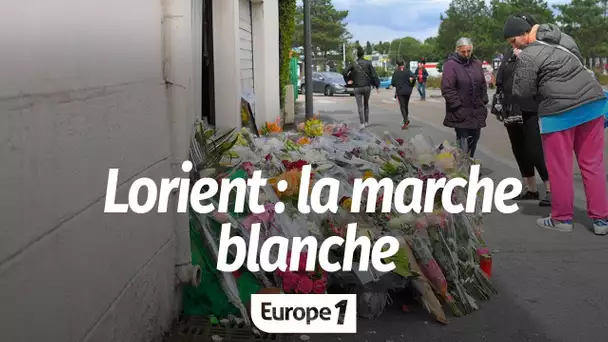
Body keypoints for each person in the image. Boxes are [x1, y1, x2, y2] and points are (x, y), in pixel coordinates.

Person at [505, 14, 608, 235]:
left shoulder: (528, 56)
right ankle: (601, 221)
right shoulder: (564, 38)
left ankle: (562, 219)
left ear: (524, 33)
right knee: (593, 164)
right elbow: (578, 63)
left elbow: (522, 92)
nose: (514, 46)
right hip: (593, 104)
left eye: (514, 41)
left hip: (558, 113)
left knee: (559, 168)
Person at [494, 43, 551, 207]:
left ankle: (551, 190)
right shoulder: (508, 53)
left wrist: (524, 58)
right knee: (518, 149)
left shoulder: (534, 51)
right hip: (510, 108)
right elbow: (500, 79)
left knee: (534, 149)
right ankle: (531, 189)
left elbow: (541, 76)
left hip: (529, 107)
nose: (513, 41)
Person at [441, 37, 489, 159]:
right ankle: (463, 169)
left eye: (469, 51)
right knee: (463, 143)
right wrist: (457, 105)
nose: (466, 54)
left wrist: (484, 100)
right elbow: (447, 88)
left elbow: (482, 84)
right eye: (463, 52)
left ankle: (469, 164)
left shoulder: (476, 63)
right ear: (457, 50)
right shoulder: (450, 65)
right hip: (460, 111)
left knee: (474, 140)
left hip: (477, 110)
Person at [342, 46, 380, 129]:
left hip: (357, 87)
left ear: (357, 55)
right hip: (367, 87)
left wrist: (348, 80)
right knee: (366, 104)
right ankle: (366, 122)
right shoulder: (368, 63)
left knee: (359, 106)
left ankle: (362, 123)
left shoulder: (353, 63)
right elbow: (374, 75)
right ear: (363, 55)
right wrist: (377, 85)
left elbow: (344, 72)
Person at [391, 59, 416, 129]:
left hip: (400, 91)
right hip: (408, 91)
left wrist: (397, 84)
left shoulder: (396, 72)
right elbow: (414, 77)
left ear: (397, 65)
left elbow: (393, 83)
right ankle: (406, 119)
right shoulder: (407, 70)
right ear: (403, 63)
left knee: (402, 106)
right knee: (406, 106)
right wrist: (411, 85)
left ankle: (405, 121)